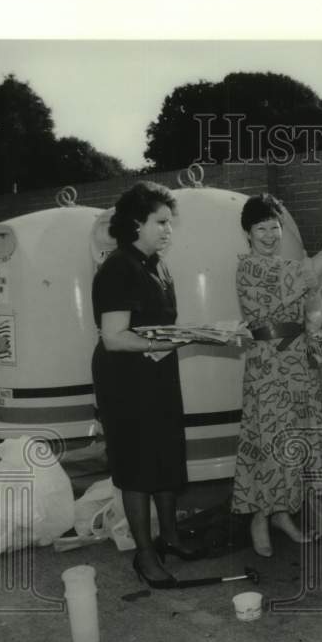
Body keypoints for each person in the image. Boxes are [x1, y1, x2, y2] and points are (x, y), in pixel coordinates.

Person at [232, 194, 322, 557]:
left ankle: (282, 514)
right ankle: (259, 518)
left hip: (296, 363)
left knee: (294, 442)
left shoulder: (283, 264)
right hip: (268, 368)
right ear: (247, 233)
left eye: (274, 227)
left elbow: (312, 307)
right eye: (261, 228)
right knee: (268, 440)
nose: (270, 234)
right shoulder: (251, 269)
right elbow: (312, 271)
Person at [91, 181, 203, 589]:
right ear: (136, 222)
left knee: (166, 454)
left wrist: (191, 333)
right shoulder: (118, 267)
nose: (168, 229)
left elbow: (158, 322)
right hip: (126, 379)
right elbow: (114, 336)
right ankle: (144, 555)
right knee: (138, 465)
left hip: (157, 371)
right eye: (161, 222)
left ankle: (169, 538)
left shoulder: (156, 263)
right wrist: (163, 342)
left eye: (170, 222)